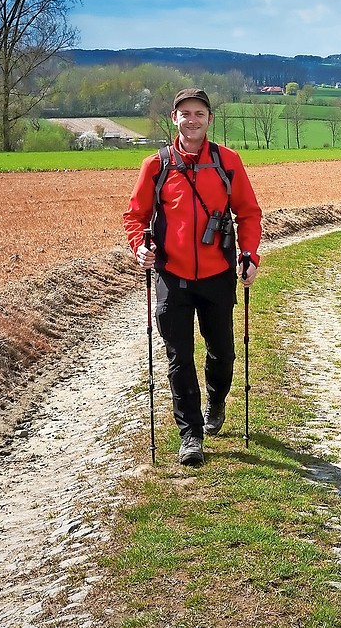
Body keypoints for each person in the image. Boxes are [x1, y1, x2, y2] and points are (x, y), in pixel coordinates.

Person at [122, 88, 262, 465]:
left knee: (223, 353)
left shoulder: (227, 162)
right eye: (185, 113)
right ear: (174, 118)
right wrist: (140, 247)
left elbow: (248, 213)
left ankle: (216, 404)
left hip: (217, 273)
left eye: (199, 113)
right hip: (171, 275)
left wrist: (249, 255)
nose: (193, 119)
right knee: (178, 357)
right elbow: (135, 216)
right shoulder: (157, 165)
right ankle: (191, 435)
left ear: (209, 119)